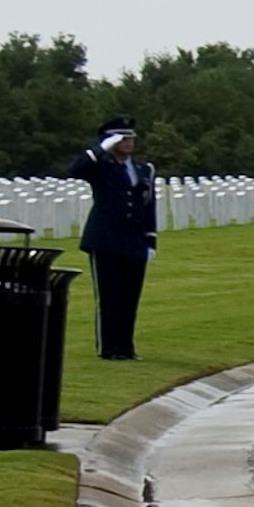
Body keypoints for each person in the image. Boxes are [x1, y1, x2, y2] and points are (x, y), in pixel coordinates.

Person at [68, 116, 158, 360]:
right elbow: (75, 169)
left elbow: (148, 205)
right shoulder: (100, 166)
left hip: (134, 240)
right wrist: (101, 149)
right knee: (109, 296)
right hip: (105, 239)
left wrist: (150, 240)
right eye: (123, 138)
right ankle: (109, 348)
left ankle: (126, 347)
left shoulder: (143, 169)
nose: (129, 143)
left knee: (129, 297)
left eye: (131, 138)